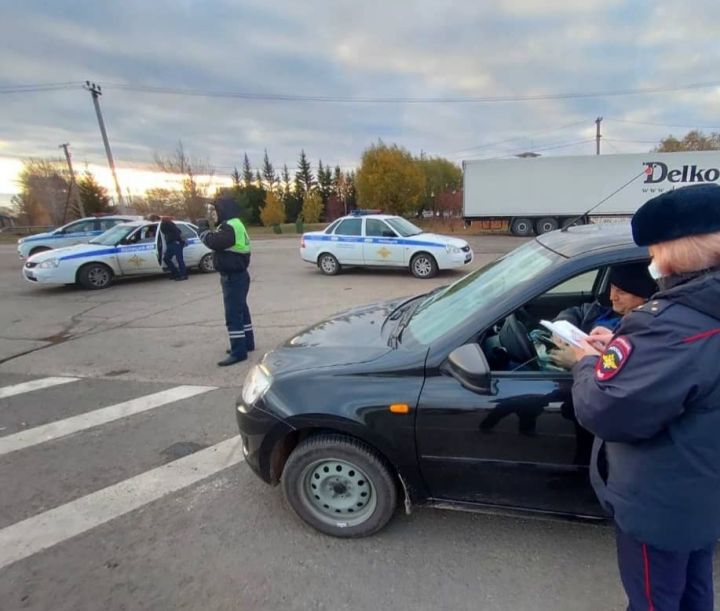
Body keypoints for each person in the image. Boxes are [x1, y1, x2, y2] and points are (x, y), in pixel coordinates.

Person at [570, 183, 720, 611]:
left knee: (653, 600)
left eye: (654, 250)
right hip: (703, 495)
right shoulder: (693, 320)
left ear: (677, 250)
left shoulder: (666, 328)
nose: (652, 262)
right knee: (694, 589)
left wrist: (584, 361)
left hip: (661, 507)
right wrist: (621, 340)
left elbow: (604, 411)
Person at [549, 263, 656, 369]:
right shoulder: (601, 309)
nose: (612, 297)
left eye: (621, 293)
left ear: (644, 297)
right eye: (612, 288)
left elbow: (622, 372)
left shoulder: (642, 331)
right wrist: (560, 328)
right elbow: (576, 312)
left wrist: (576, 362)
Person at [198, 196, 254, 366]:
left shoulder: (229, 226)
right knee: (241, 311)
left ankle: (238, 351)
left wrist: (203, 231)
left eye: (216, 210)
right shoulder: (235, 224)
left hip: (233, 277)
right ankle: (247, 343)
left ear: (223, 210)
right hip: (238, 275)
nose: (214, 214)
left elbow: (214, 242)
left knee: (233, 315)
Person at [159, 216, 187, 280]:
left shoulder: (168, 225)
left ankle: (183, 275)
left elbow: (177, 233)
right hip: (171, 243)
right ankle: (176, 273)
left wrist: (177, 240)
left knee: (179, 259)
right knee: (167, 259)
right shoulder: (167, 225)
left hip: (175, 243)